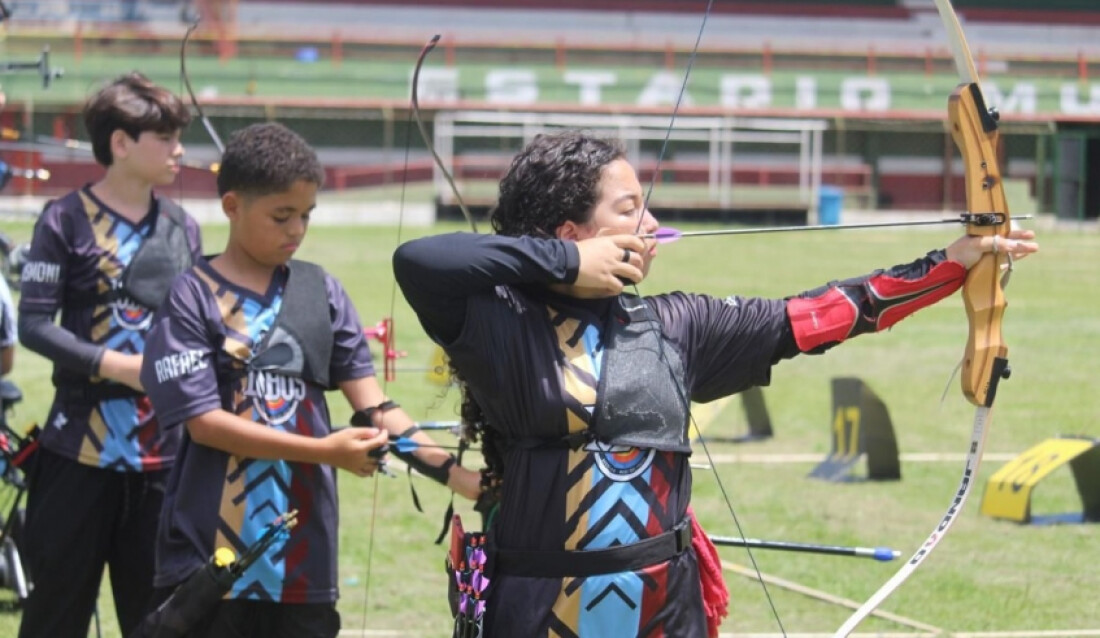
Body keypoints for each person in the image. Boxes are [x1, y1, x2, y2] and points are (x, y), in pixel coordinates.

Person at [393, 130, 1039, 637]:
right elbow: (419, 261)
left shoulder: (678, 325)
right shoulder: (501, 329)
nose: (651, 226)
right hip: (536, 610)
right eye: (629, 209)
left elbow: (818, 317)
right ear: (572, 233)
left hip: (664, 612)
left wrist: (952, 266)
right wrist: (566, 263)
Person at [139, 122, 481, 638]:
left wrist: (463, 480)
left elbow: (375, 408)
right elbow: (204, 424)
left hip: (303, 565)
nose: (296, 229)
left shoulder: (320, 290)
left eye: (306, 215)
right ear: (232, 206)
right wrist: (325, 451)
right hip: (210, 558)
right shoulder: (191, 296)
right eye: (282, 215)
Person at [15, 72, 201, 638]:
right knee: (55, 616)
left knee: (158, 622)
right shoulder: (63, 219)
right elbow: (34, 325)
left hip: (161, 464)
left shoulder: (182, 226)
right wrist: (118, 366)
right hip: (77, 454)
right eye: (164, 138)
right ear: (120, 144)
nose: (178, 150)